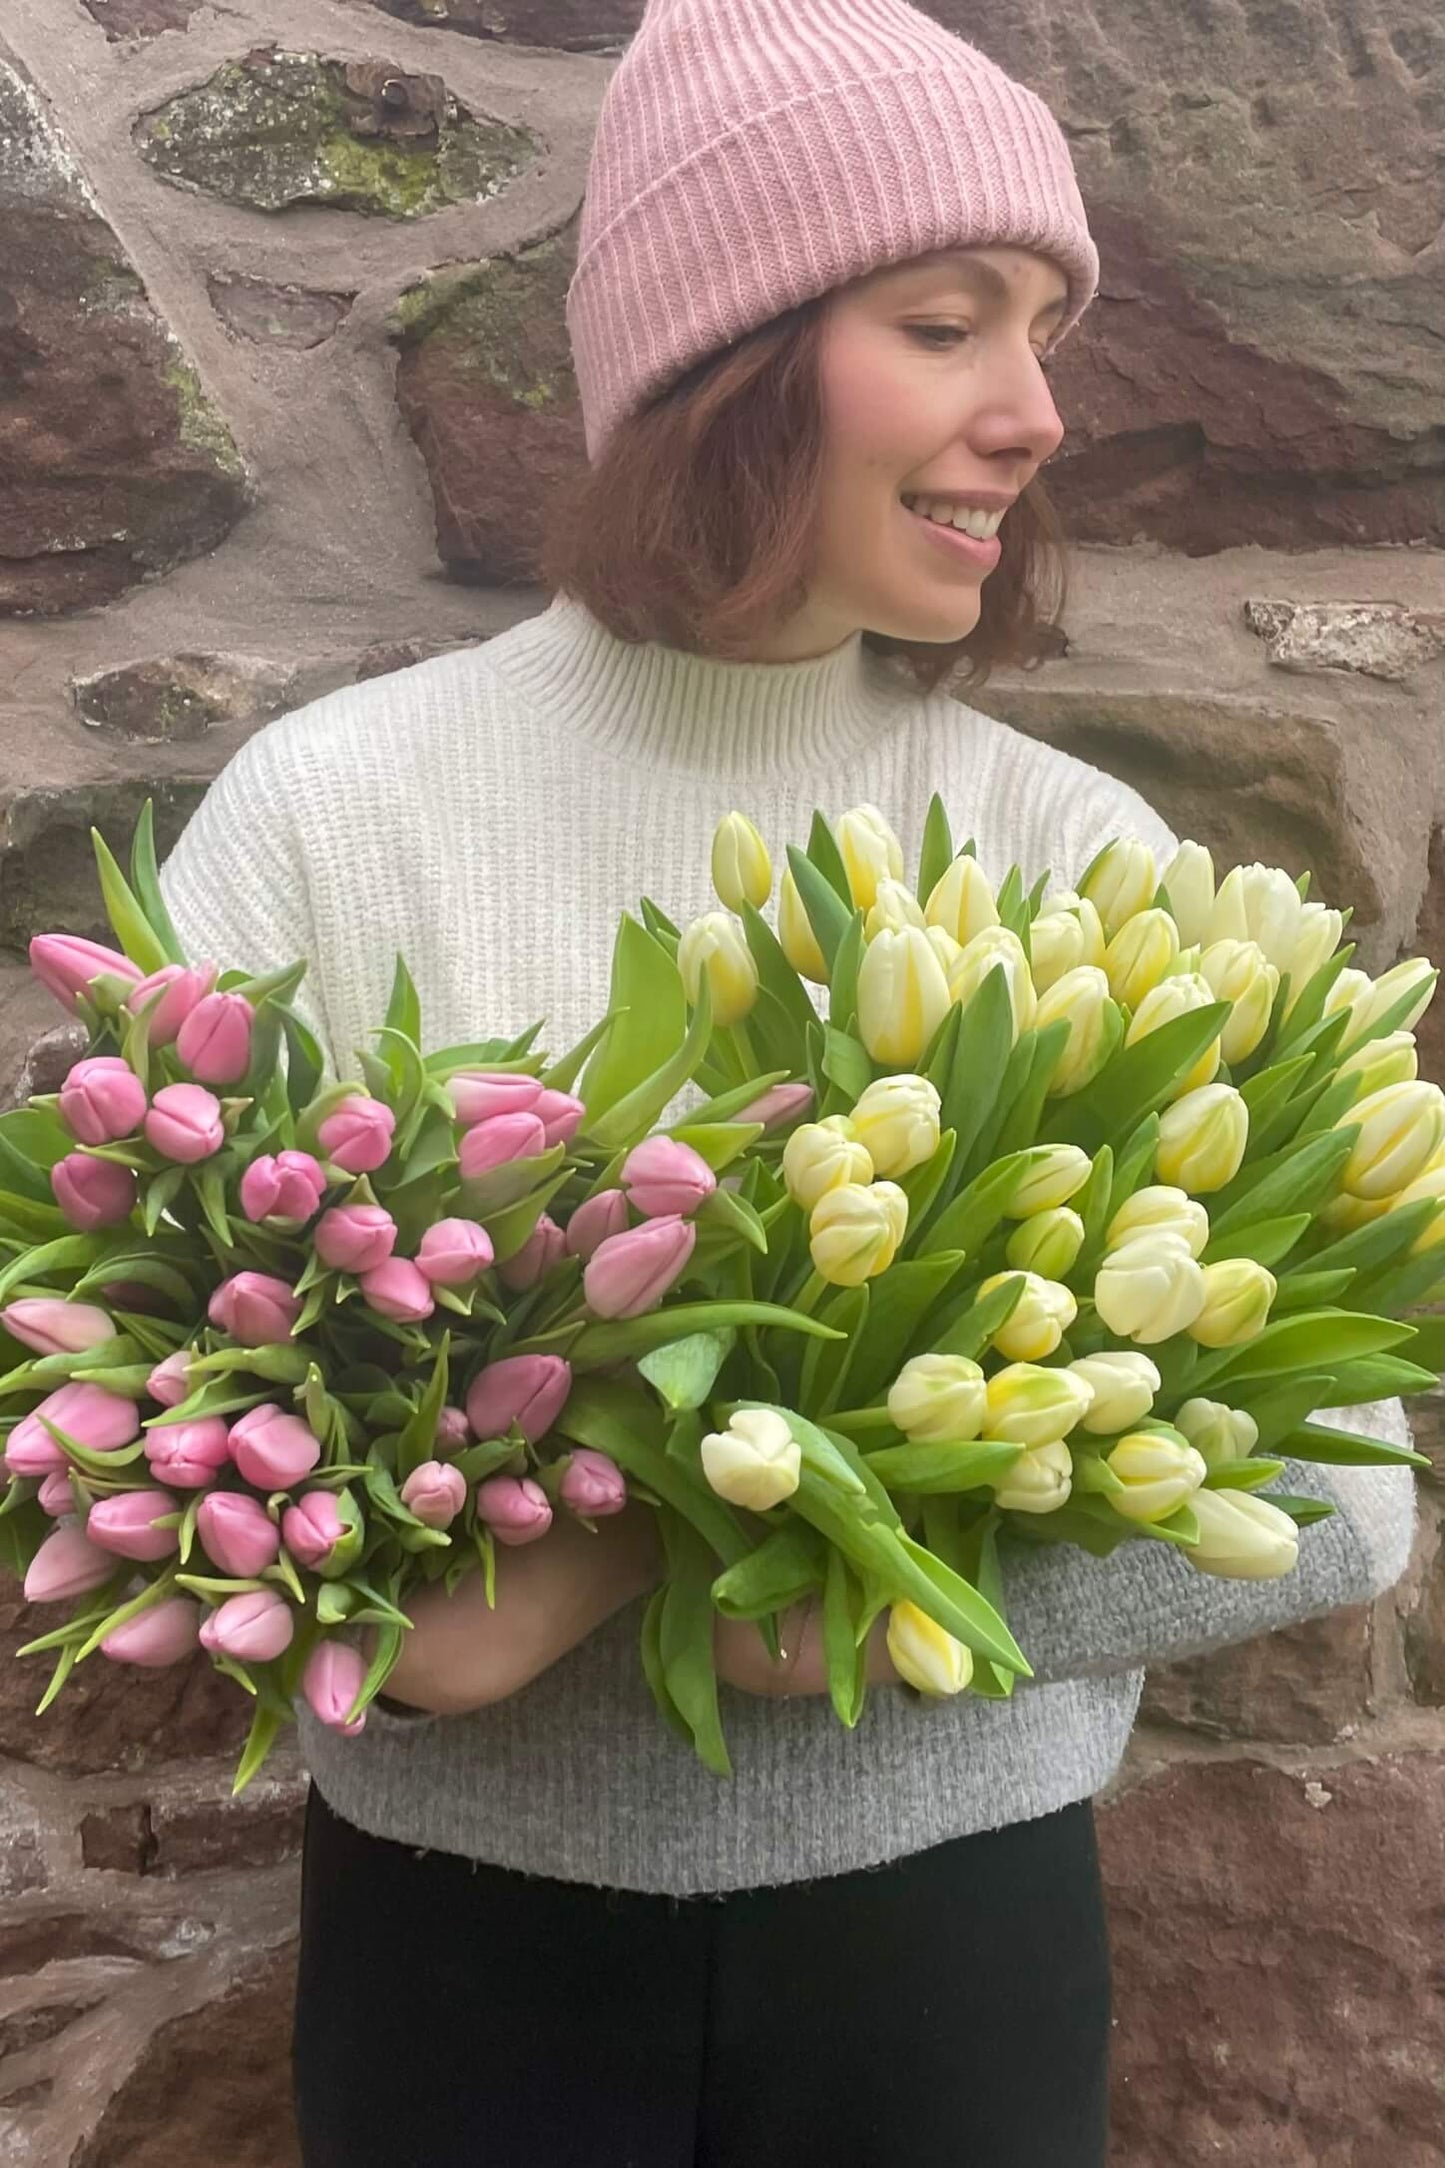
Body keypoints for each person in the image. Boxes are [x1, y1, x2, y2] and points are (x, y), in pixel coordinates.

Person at [156, 3, 1418, 2161]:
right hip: (467, 1959)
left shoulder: (1078, 863)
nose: (1033, 413)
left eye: (1046, 334)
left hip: (950, 1951)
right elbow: (166, 1451)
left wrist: (758, 1578)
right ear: (717, 368)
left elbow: (1341, 1501)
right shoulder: (335, 822)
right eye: (946, 323)